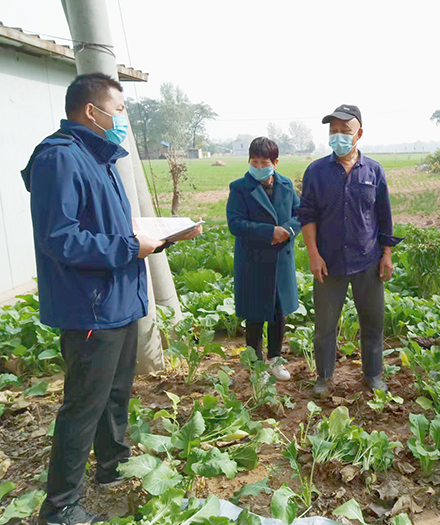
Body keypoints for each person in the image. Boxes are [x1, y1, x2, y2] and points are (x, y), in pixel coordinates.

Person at [21, 73, 202, 525]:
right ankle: (59, 505)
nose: (123, 119)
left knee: (116, 393)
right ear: (92, 112)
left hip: (119, 300)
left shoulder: (99, 158)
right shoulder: (60, 159)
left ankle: (112, 464)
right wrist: (127, 247)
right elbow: (60, 239)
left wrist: (158, 236)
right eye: (119, 110)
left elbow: (111, 225)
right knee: (84, 403)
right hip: (90, 308)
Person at [298, 104, 402, 399]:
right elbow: (307, 215)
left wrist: (387, 254)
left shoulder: (373, 171)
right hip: (329, 262)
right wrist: (314, 255)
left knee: (372, 321)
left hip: (367, 260)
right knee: (325, 325)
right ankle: (324, 376)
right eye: (334, 131)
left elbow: (384, 216)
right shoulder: (316, 171)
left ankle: (373, 374)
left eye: (345, 130)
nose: (338, 136)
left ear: (359, 134)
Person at [227, 137, 300, 380]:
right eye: (254, 162)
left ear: (275, 163)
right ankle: (256, 365)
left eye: (264, 163)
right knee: (255, 314)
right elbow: (235, 223)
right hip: (253, 261)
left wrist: (287, 231)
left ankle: (275, 360)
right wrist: (269, 232)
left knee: (279, 313)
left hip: (280, 260)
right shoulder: (239, 188)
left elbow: (300, 215)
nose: (259, 167)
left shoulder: (287, 185)